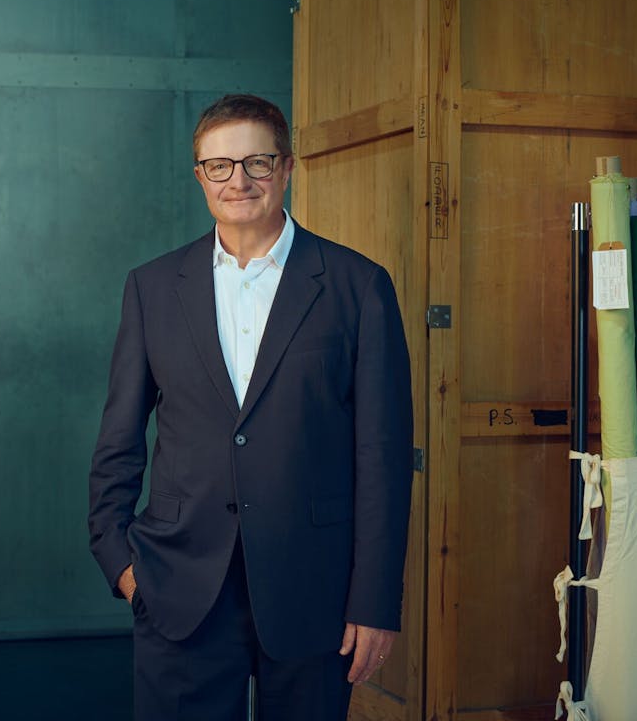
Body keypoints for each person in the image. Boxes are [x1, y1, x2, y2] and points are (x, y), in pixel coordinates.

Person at [87, 93, 413, 721]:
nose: (239, 180)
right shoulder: (152, 288)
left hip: (314, 590)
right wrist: (120, 561)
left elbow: (384, 458)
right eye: (220, 165)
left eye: (257, 163)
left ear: (287, 168)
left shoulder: (357, 287)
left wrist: (374, 601)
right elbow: (118, 439)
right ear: (199, 176)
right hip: (176, 585)